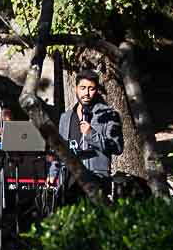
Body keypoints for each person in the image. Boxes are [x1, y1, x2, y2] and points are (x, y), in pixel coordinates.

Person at [47, 68, 125, 200]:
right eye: (83, 88)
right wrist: (53, 173)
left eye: (91, 89)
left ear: (97, 90)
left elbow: (117, 147)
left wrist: (91, 134)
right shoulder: (66, 118)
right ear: (76, 89)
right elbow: (60, 150)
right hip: (68, 181)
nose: (87, 93)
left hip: (97, 180)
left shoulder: (108, 115)